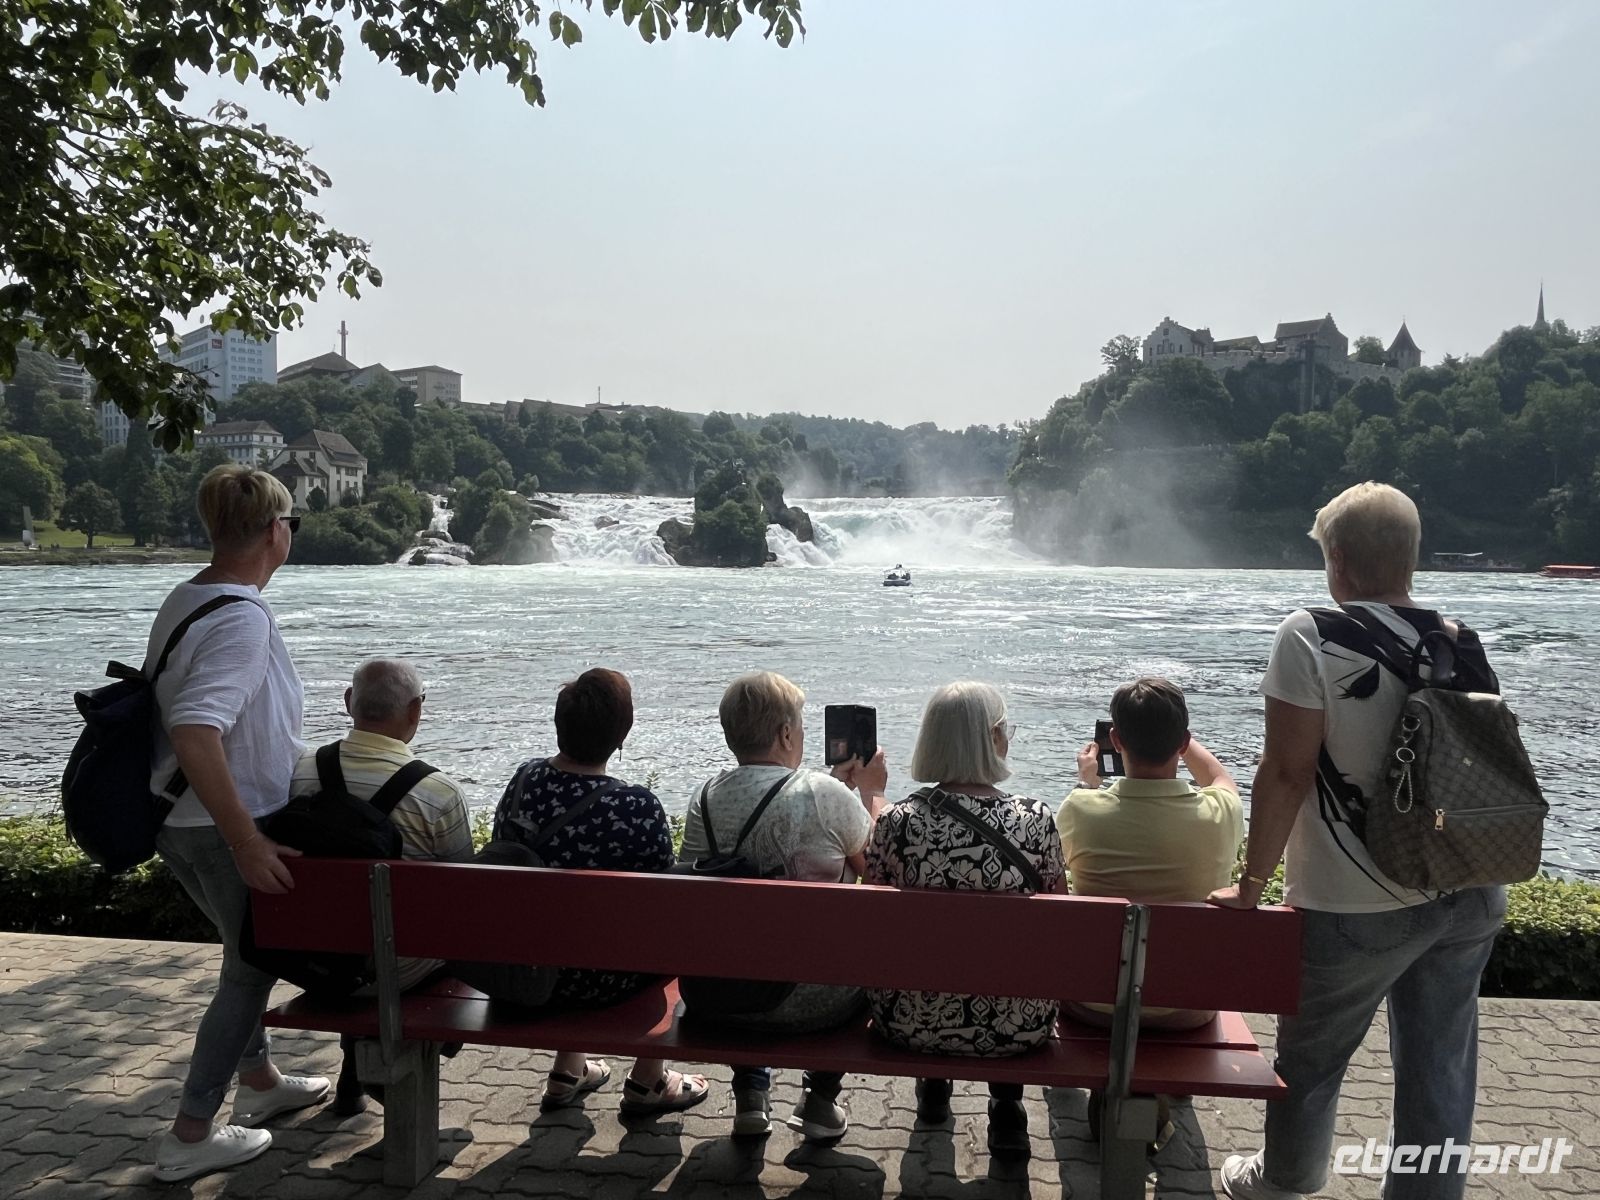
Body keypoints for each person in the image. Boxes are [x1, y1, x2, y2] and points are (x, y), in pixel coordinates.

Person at [1209, 483, 1505, 1200]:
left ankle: (1285, 1182)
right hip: (1469, 889)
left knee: (1311, 1063)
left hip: (1354, 903)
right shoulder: (1459, 638)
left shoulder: (1312, 633)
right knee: (1439, 1067)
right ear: (1411, 556)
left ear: (1337, 559)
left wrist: (1251, 887)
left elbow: (1285, 771)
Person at [148, 465, 326, 1182]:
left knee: (238, 954)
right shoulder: (243, 618)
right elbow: (196, 729)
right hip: (219, 826)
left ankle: (259, 1081)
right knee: (248, 972)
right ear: (276, 532)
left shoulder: (191, 596)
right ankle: (190, 1134)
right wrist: (246, 840)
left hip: (179, 820)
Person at [484, 668, 708, 1117]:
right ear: (621, 736)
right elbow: (663, 907)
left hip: (520, 973)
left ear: (559, 726)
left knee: (559, 923)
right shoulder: (636, 806)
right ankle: (650, 1079)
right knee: (670, 928)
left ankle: (569, 1069)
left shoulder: (524, 781)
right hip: (602, 982)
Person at [678, 671, 887, 1142]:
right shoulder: (822, 794)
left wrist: (831, 787)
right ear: (787, 734)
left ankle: (751, 1089)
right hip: (809, 1002)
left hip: (718, 997)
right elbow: (879, 874)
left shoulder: (703, 797)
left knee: (740, 941)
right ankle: (819, 1097)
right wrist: (870, 793)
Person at [863, 681, 1064, 1157]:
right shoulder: (1036, 820)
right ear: (994, 738)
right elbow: (1060, 924)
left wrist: (872, 797)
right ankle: (1007, 1107)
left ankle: (933, 1086)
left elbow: (871, 916)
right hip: (1018, 1026)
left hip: (909, 1021)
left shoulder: (899, 822)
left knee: (928, 958)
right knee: (1009, 967)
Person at [285, 658, 473, 1114]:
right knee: (429, 942)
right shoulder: (437, 794)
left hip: (314, 958)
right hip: (399, 971)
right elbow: (467, 894)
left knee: (359, 928)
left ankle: (355, 1073)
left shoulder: (299, 772)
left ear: (350, 703)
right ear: (415, 711)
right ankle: (407, 1058)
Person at [1058, 676, 1243, 1030]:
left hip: (1095, 1005)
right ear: (1183, 742)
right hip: (1187, 1008)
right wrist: (1179, 739)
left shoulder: (1081, 809)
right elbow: (1220, 778)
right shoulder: (1220, 812)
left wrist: (1087, 783)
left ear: (1115, 740)